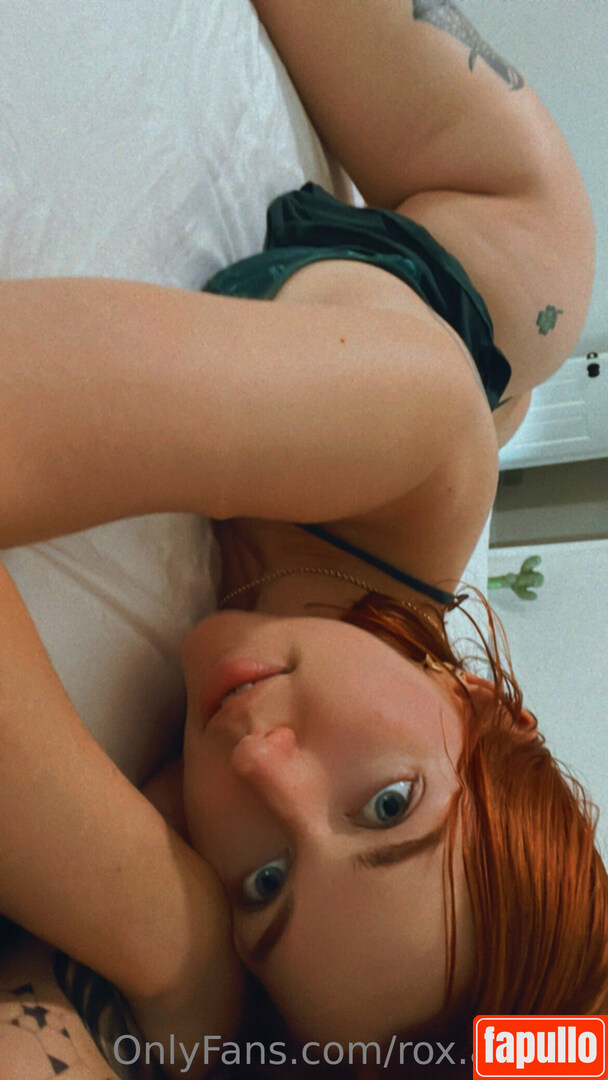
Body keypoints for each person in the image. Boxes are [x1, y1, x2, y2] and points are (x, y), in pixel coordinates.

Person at [0, 2, 605, 1078]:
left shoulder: (229, 804)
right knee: (539, 280)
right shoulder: (414, 427)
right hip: (454, 274)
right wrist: (172, 938)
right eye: (387, 805)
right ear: (485, 706)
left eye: (268, 884)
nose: (261, 768)